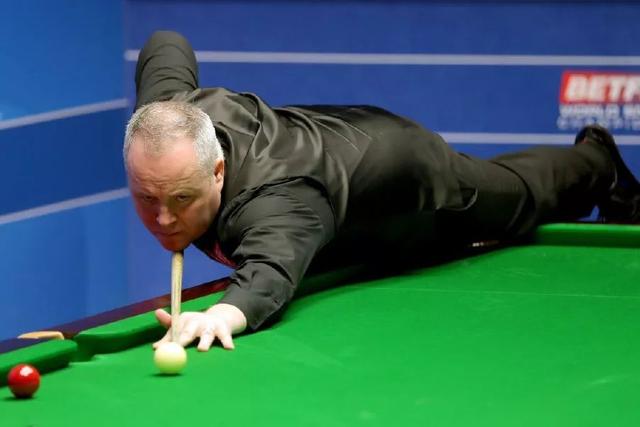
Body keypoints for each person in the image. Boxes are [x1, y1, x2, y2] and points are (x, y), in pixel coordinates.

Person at [124, 31, 640, 352]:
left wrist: (222, 314)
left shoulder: (276, 202)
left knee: (516, 199)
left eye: (182, 199)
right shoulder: (165, 119)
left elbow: (269, 274)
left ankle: (597, 163)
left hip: (402, 172)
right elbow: (166, 43)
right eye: (147, 198)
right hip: (333, 169)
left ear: (217, 171)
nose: (164, 219)